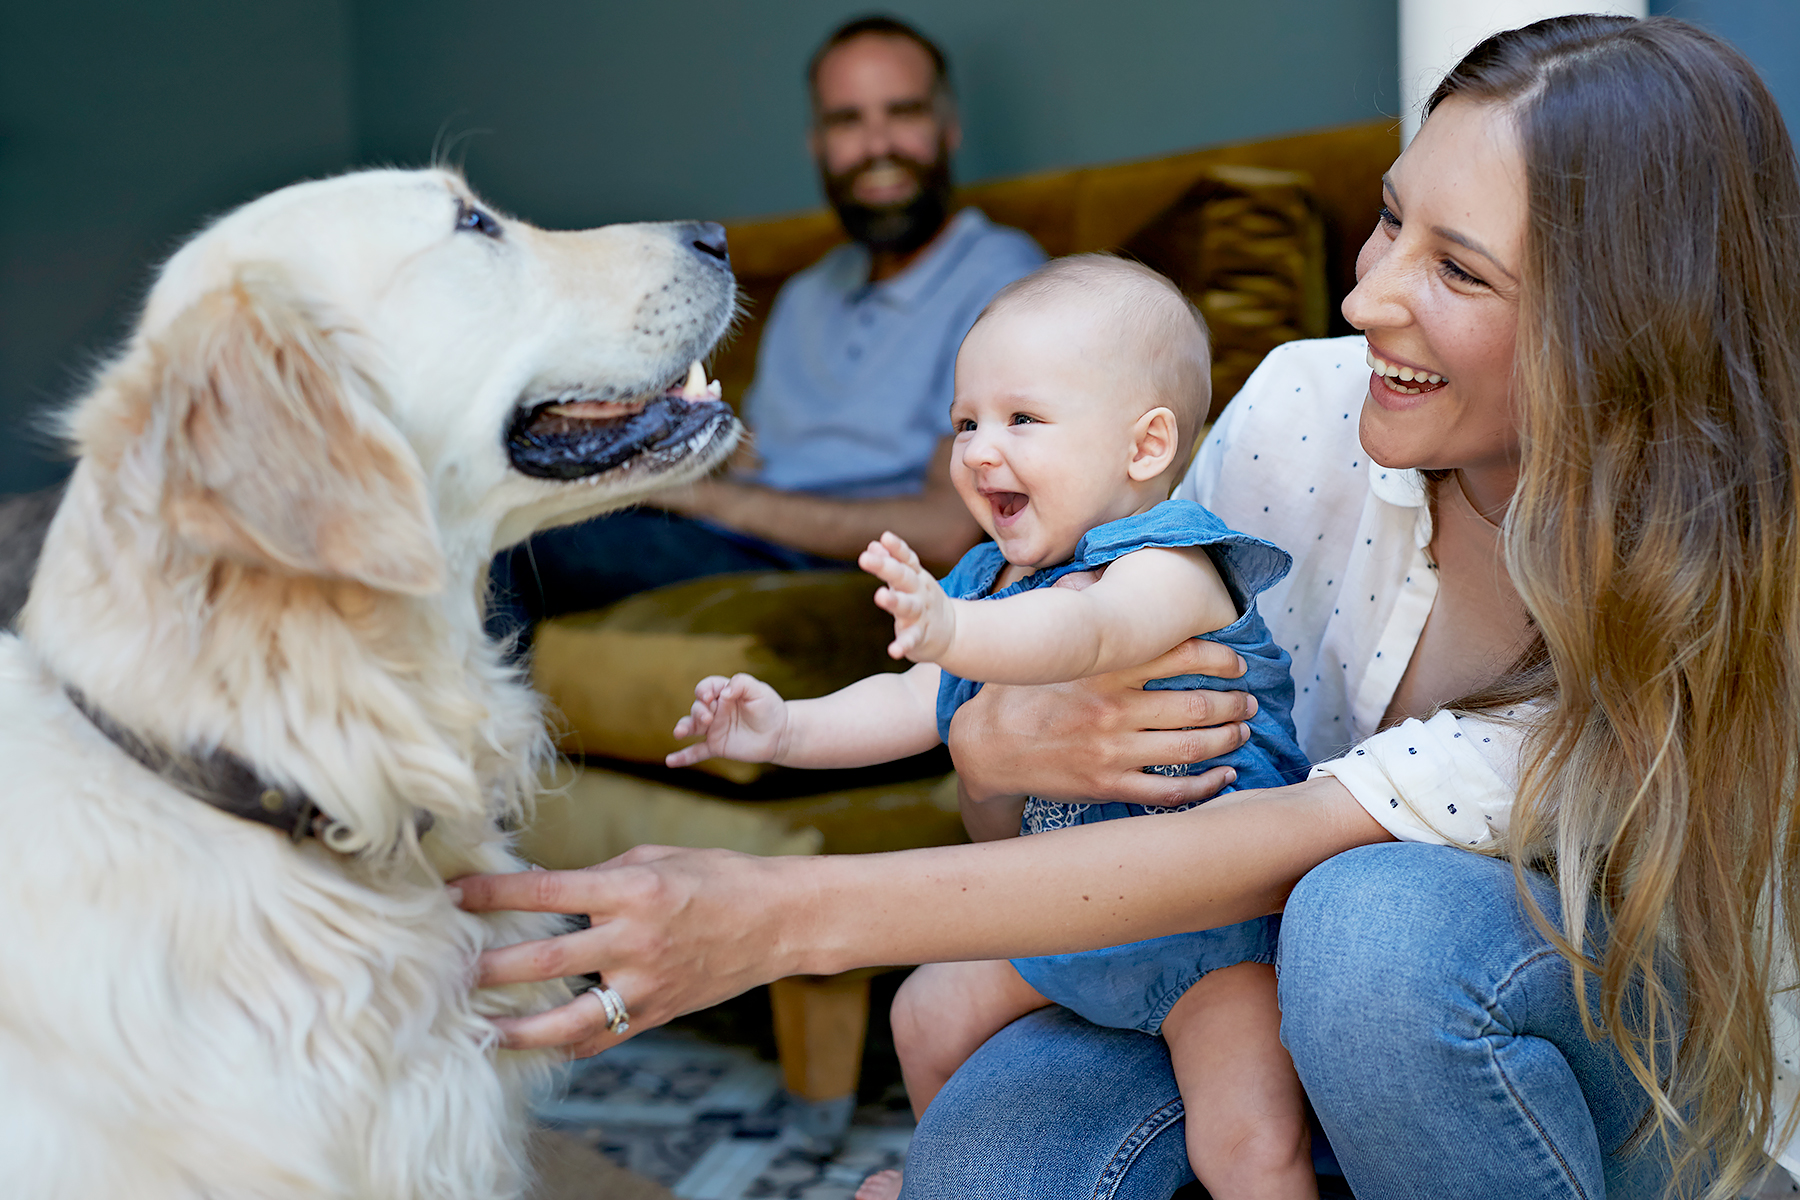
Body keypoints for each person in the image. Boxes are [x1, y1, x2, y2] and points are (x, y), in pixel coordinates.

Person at [457, 15, 1800, 1199]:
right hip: (1250, 993)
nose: (1364, 291)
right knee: (987, 1161)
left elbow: (1283, 842)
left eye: (1459, 270)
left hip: (1598, 1071)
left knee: (1375, 929)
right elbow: (1068, 800)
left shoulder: (1692, 582)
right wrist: (994, 746)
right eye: (1393, 219)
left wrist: (771, 915)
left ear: (1615, 329)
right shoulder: (1297, 413)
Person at [667, 257, 1314, 1200]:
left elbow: (1089, 631)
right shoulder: (993, 579)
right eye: (966, 421)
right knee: (925, 1015)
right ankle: (935, 1180)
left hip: (1209, 939)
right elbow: (909, 703)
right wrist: (781, 732)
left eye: (1022, 420)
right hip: (1064, 920)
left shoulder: (1174, 561)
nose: (975, 449)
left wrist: (961, 632)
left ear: (1143, 448)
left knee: (1248, 1150)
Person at [487, 15, 1044, 645]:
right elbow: (755, 455)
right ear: (817, 144)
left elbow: (949, 528)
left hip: (832, 564)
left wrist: (700, 500)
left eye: (904, 112)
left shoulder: (1004, 280)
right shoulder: (807, 294)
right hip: (732, 537)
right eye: (847, 121)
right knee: (497, 514)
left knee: (510, 551)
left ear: (948, 129)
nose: (876, 144)